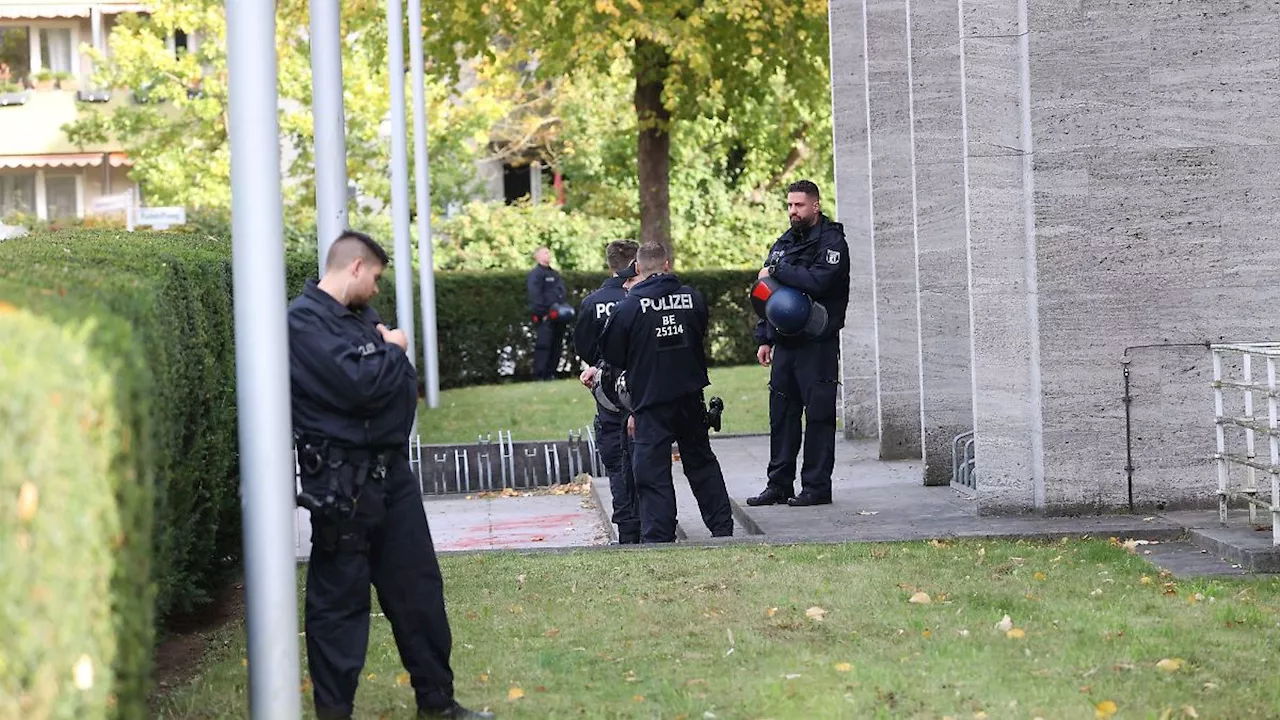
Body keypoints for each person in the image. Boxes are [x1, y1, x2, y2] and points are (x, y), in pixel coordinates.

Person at [288, 230, 493, 720]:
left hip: (390, 477)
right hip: (342, 484)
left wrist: (386, 358)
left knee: (418, 592)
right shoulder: (302, 323)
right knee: (339, 606)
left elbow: (396, 385)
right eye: (376, 277)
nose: (379, 290)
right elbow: (359, 385)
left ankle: (437, 703)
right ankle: (335, 712)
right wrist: (392, 349)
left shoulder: (360, 318)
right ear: (355, 267)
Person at [600, 241, 734, 543]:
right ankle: (722, 528)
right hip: (689, 397)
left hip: (650, 401)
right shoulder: (693, 298)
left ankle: (659, 538)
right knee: (700, 462)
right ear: (667, 265)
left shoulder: (628, 308)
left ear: (637, 269)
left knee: (652, 472)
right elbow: (699, 333)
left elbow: (613, 354)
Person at [746, 180, 850, 508]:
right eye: (789, 205)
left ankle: (816, 488)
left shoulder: (832, 241)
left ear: (815, 206)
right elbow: (767, 293)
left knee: (818, 416)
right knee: (782, 415)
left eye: (799, 205)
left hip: (817, 344)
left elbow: (818, 281)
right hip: (785, 345)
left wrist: (779, 269)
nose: (793, 211)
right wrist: (765, 337)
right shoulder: (784, 242)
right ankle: (778, 485)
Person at [573, 240, 641, 543]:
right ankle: (654, 524)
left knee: (616, 463)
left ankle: (627, 530)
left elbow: (584, 346)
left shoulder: (593, 301)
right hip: (644, 388)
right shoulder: (639, 297)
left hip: (609, 392)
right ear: (636, 263)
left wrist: (598, 366)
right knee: (647, 460)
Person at [526, 246, 568, 381]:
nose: (548, 255)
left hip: (558, 316)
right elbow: (535, 295)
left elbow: (561, 293)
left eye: (548, 253)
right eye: (545, 253)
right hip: (545, 317)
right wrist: (542, 312)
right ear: (537, 256)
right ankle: (540, 375)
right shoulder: (536, 274)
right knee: (544, 345)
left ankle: (551, 373)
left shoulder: (555, 274)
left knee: (557, 345)